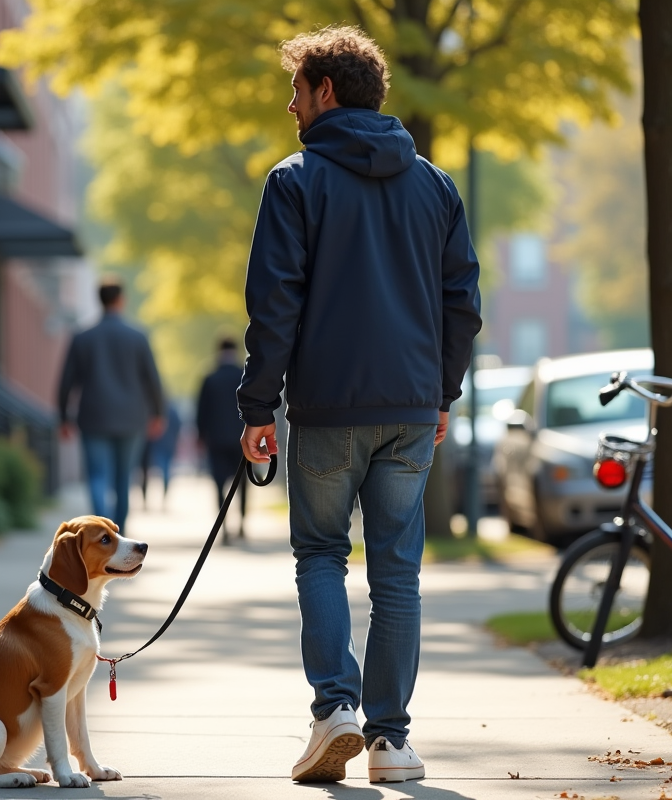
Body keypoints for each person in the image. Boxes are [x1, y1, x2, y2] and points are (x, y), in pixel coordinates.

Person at [236, 27, 481, 785]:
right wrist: (444, 391)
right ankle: (390, 742)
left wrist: (256, 407)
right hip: (411, 409)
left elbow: (276, 305)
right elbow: (462, 303)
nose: (290, 105)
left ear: (327, 92)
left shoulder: (295, 180)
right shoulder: (436, 186)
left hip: (328, 408)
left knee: (320, 554)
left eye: (298, 92)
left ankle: (333, 710)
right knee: (397, 575)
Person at [58, 280, 164, 534]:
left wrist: (63, 417)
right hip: (131, 418)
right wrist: (158, 413)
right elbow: (152, 379)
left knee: (96, 476)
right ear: (121, 300)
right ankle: (119, 532)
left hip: (94, 416)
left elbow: (66, 381)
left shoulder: (82, 337)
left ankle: (100, 532)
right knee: (123, 478)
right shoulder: (137, 337)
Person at [196, 338, 247, 540]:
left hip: (216, 439)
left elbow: (201, 410)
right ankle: (242, 522)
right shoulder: (243, 375)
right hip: (241, 438)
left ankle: (223, 525)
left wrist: (200, 436)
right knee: (242, 482)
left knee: (219, 483)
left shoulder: (209, 378)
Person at [140, 402, 181, 510]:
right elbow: (178, 427)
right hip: (166, 446)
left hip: (155, 445)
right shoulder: (173, 411)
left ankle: (147, 499)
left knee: (146, 473)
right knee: (165, 472)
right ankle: (164, 498)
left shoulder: (152, 410)